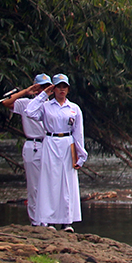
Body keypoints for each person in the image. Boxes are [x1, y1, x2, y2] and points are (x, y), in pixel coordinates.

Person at [24, 73, 87, 230]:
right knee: (50, 181)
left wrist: (81, 155)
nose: (61, 90)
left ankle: (67, 221)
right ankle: (49, 220)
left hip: (67, 143)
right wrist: (44, 94)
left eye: (64, 87)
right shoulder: (46, 106)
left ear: (68, 89)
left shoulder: (74, 108)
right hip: (51, 141)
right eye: (58, 87)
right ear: (54, 88)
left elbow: (78, 133)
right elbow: (29, 112)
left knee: (67, 182)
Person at [3, 73, 53, 225]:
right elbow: (7, 102)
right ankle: (36, 220)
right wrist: (26, 91)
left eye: (46, 87)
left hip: (49, 144)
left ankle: (48, 218)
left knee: (50, 184)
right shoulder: (26, 103)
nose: (43, 90)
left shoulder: (53, 105)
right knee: (34, 186)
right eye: (40, 87)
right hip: (33, 144)